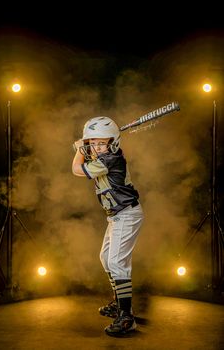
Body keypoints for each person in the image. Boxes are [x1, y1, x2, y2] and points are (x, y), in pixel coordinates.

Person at [72, 116, 144, 336]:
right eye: (93, 142)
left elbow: (77, 169)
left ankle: (127, 318)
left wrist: (80, 150)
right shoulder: (102, 157)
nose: (97, 147)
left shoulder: (111, 159)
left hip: (127, 214)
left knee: (116, 262)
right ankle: (119, 305)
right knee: (106, 258)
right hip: (115, 216)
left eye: (102, 143)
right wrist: (87, 147)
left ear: (113, 143)